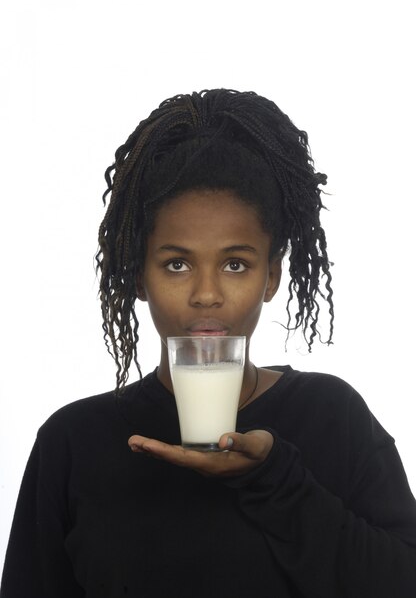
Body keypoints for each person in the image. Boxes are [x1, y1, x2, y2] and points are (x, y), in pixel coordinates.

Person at [1, 89, 416, 598]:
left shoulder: (333, 416)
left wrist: (276, 480)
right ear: (138, 278)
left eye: (235, 264)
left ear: (271, 277)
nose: (206, 295)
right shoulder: (73, 441)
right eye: (176, 264)